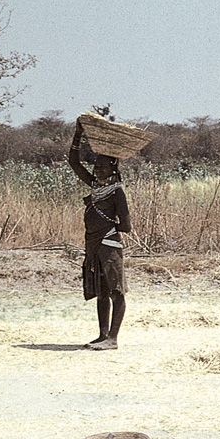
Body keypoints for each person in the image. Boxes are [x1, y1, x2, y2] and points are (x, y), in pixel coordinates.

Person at [68, 119, 132, 350]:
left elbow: (126, 226)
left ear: (113, 169)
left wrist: (105, 229)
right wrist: (78, 135)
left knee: (116, 291)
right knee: (101, 292)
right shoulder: (96, 186)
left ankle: (113, 339)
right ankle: (102, 335)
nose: (98, 169)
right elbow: (73, 163)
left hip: (109, 245)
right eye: (97, 166)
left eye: (103, 167)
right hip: (93, 245)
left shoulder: (117, 193)